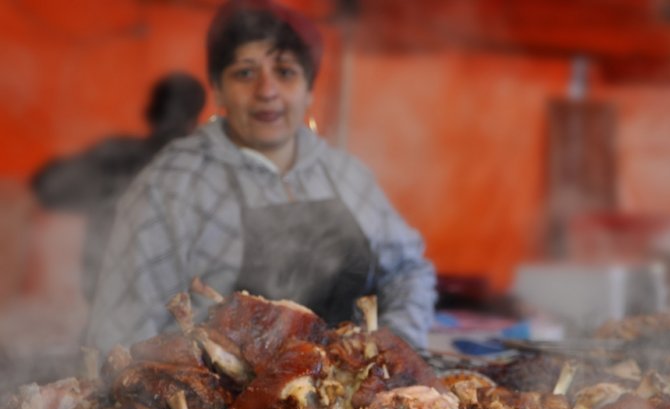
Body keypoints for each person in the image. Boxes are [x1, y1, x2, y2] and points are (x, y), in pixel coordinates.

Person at [84, 0, 436, 353]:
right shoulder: (174, 182)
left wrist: (394, 347)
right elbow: (122, 320)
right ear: (218, 89)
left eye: (285, 72)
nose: (267, 91)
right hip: (219, 386)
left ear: (309, 91)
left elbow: (408, 271)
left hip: (346, 383)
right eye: (245, 73)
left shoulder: (344, 174)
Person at [32, 73, 207, 303]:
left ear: (150, 112)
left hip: (112, 299)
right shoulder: (203, 170)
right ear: (194, 122)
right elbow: (49, 188)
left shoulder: (115, 156)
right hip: (160, 304)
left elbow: (48, 188)